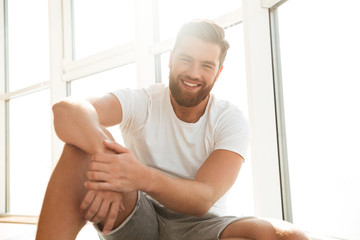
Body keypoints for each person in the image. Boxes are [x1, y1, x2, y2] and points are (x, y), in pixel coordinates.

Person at [36, 19, 309, 240]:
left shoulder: (230, 120)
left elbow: (203, 199)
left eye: (206, 65)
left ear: (218, 72)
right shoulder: (143, 101)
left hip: (203, 227)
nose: (194, 72)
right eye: (186, 59)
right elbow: (66, 111)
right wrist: (111, 167)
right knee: (79, 150)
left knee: (291, 237)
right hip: (138, 217)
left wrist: (138, 176)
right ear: (170, 59)